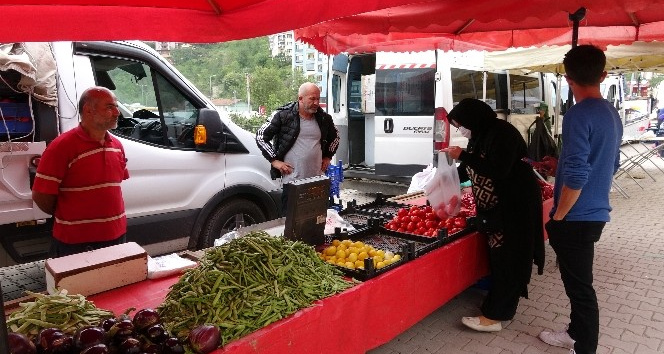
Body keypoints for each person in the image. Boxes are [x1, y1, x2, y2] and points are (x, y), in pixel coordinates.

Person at [537, 45, 622, 354]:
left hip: (575, 216)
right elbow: (609, 164)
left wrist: (558, 217)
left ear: (567, 77)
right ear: (603, 75)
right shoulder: (610, 113)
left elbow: (577, 176)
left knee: (580, 288)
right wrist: (558, 167)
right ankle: (574, 333)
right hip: (596, 211)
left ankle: (584, 346)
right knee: (577, 284)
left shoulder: (577, 115)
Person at [441, 98, 545, 333]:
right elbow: (472, 166)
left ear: (472, 118)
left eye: (461, 125)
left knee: (509, 259)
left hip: (514, 206)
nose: (461, 130)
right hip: (499, 208)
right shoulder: (481, 135)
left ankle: (495, 316)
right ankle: (498, 303)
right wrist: (447, 179)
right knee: (500, 257)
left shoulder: (502, 133)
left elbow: (498, 169)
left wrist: (463, 157)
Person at [32, 86, 129, 257]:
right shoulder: (61, 147)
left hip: (116, 237)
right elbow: (41, 196)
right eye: (109, 107)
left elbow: (112, 189)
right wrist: (70, 216)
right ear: (88, 110)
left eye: (116, 107)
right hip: (75, 243)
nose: (117, 112)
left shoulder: (117, 146)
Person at [255, 82, 339, 214]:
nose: (316, 102)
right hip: (293, 182)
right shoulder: (283, 115)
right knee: (290, 223)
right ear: (300, 98)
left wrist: (328, 156)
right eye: (312, 98)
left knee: (316, 221)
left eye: (318, 98)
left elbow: (335, 137)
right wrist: (275, 161)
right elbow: (261, 136)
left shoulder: (323, 118)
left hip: (317, 180)